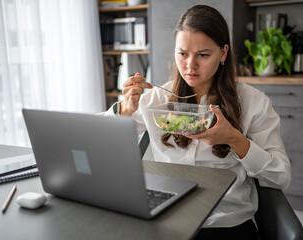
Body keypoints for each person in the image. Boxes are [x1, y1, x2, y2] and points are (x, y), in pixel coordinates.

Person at [102, 5, 291, 239]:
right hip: (166, 215)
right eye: (182, 54)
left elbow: (281, 175)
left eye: (203, 55)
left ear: (223, 53)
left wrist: (234, 139)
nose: (190, 65)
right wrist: (124, 110)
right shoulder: (157, 99)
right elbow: (93, 141)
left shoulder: (254, 103)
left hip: (223, 222)